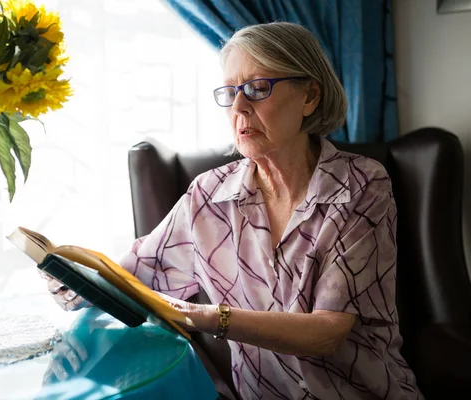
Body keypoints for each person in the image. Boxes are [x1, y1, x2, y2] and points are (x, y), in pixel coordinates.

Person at [45, 22, 423, 400]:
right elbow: (134, 277)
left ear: (309, 96)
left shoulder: (362, 184)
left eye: (258, 89)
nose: (239, 107)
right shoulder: (208, 197)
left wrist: (206, 317)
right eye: (230, 92)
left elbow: (326, 332)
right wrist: (73, 278)